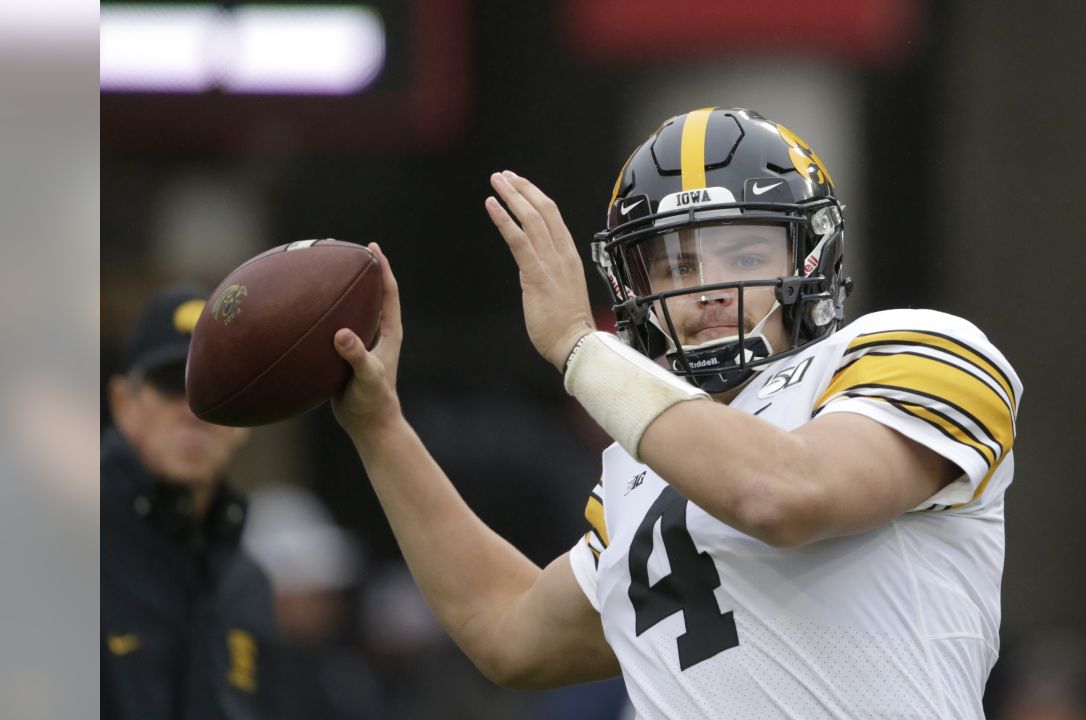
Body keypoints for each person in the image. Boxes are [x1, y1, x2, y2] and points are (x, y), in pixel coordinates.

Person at [332, 107, 1022, 718]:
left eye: (745, 252)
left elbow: (783, 493)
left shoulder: (914, 348)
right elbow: (508, 630)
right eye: (675, 267)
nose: (708, 291)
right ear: (636, 288)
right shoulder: (643, 463)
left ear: (811, 258)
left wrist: (580, 349)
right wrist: (381, 429)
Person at [102, 286, 278, 720]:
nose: (194, 410)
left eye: (216, 386)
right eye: (170, 385)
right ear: (123, 403)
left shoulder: (247, 585)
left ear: (247, 416)